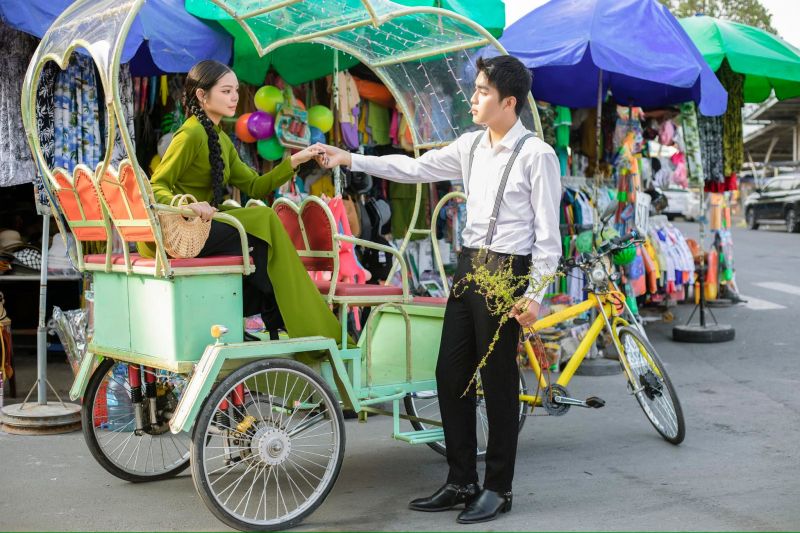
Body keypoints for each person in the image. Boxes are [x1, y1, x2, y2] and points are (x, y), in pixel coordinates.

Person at [315, 55, 562, 524]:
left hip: (507, 273)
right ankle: (461, 479)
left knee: (498, 384)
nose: (473, 98)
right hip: (469, 268)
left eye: (483, 91)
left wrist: (534, 294)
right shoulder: (470, 146)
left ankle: (498, 488)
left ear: (509, 102)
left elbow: (549, 237)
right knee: (449, 376)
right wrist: (351, 157)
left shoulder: (536, 154)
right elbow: (413, 168)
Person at [139, 60, 342, 343]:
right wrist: (186, 205)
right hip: (182, 232)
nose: (234, 97)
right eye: (226, 91)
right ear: (202, 95)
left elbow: (256, 186)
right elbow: (156, 184)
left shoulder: (220, 138)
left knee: (262, 236)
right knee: (263, 227)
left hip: (204, 229)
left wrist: (295, 159)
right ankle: (276, 316)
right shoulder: (191, 133)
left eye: (236, 90)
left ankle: (261, 318)